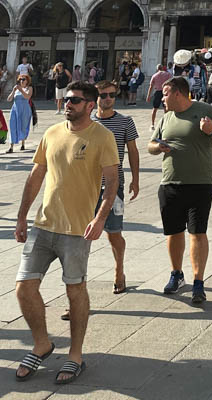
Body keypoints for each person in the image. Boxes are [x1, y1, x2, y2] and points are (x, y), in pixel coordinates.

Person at [14, 81, 119, 385]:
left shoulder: (103, 136)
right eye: (66, 98)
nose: (67, 104)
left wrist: (100, 218)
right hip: (43, 224)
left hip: (77, 230)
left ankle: (75, 355)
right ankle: (42, 344)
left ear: (89, 105)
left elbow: (111, 182)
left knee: (75, 291)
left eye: (74, 100)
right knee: (23, 288)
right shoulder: (52, 133)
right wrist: (22, 216)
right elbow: (37, 174)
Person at [148, 76, 212, 305]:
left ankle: (198, 281)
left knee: (197, 232)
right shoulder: (166, 118)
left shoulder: (205, 110)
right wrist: (158, 147)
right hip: (170, 183)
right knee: (173, 232)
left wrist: (211, 131)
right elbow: (150, 144)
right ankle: (176, 274)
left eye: (164, 94)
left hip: (200, 183)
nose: (161, 98)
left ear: (178, 94)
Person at [87, 81, 139, 296]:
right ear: (95, 99)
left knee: (114, 233)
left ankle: (119, 271)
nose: (107, 98)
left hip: (113, 185)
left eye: (111, 95)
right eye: (103, 95)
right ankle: (78, 284)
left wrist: (136, 179)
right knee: (81, 236)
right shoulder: (87, 121)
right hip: (86, 186)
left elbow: (133, 152)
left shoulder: (125, 122)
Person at [7, 73, 34, 153]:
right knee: (13, 126)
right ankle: (11, 146)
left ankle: (23, 143)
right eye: (20, 79)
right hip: (15, 109)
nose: (21, 81)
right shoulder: (16, 89)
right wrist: (13, 91)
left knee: (23, 126)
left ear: (27, 81)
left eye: (23, 79)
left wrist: (21, 90)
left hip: (25, 110)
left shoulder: (29, 88)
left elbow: (27, 97)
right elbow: (9, 99)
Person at [146, 63, 174, 128]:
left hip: (158, 92)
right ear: (162, 68)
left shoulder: (154, 75)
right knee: (166, 108)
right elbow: (172, 83)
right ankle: (167, 122)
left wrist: (148, 96)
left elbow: (151, 86)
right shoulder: (168, 74)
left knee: (155, 108)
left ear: (157, 69)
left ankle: (152, 124)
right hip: (165, 92)